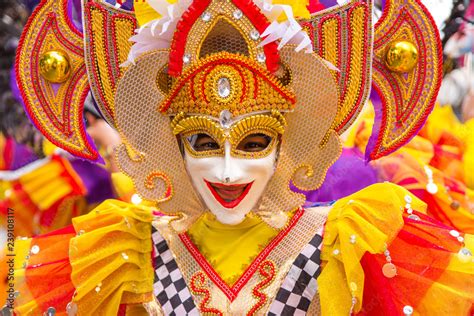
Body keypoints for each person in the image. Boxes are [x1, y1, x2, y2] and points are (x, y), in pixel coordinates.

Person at [8, 0, 473, 315]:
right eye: (203, 143)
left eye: (254, 143)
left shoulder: (348, 242)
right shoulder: (125, 254)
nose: (228, 171)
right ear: (172, 145)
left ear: (288, 139)